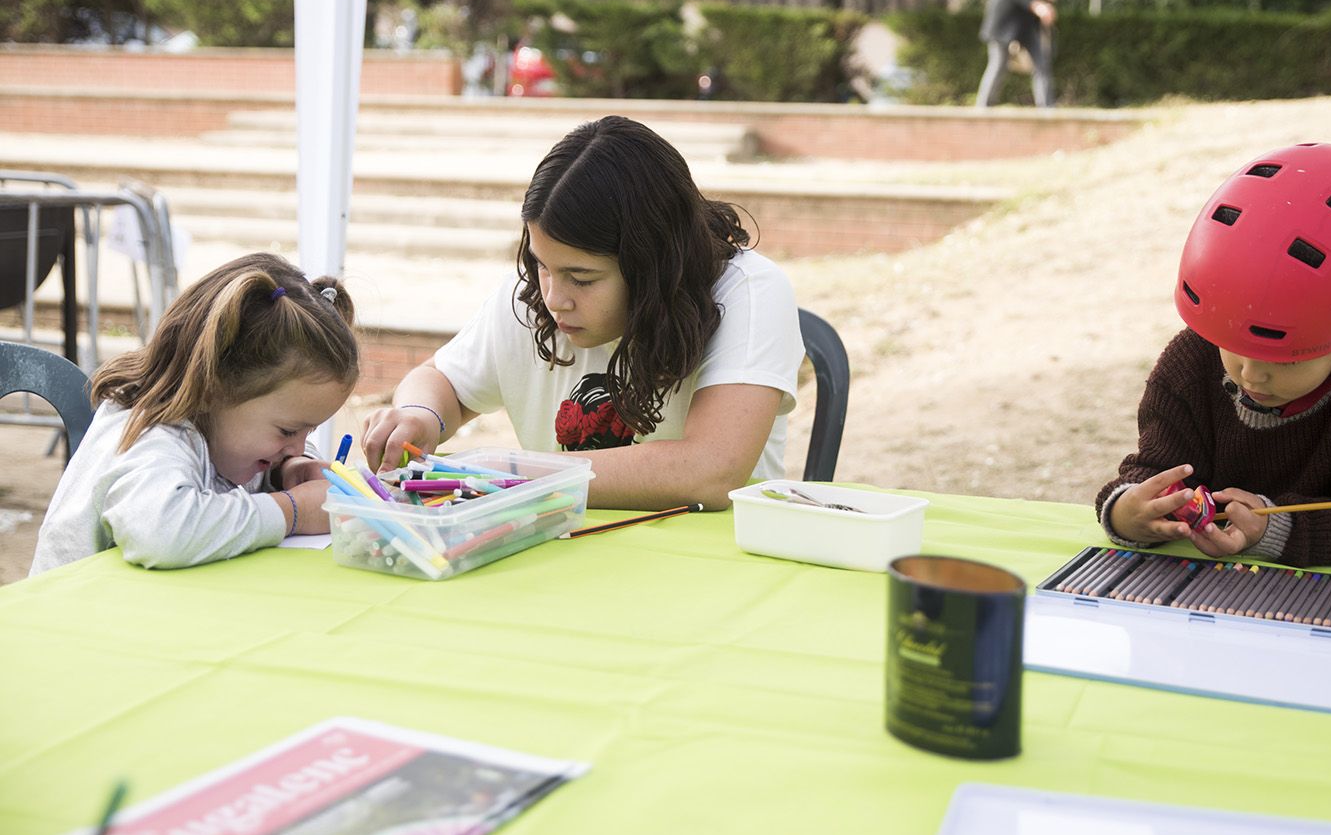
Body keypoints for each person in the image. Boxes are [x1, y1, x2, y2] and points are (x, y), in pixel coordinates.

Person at [361, 115, 804, 511]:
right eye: (542, 265)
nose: (554, 298)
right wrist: (420, 415)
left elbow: (710, 471)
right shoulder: (533, 295)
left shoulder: (749, 291)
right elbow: (440, 379)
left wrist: (505, 473)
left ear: (653, 264)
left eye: (583, 278)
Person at [1096, 143, 1331, 566]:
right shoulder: (1191, 360)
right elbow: (1155, 472)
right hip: (1218, 586)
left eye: (1286, 359)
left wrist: (1275, 529)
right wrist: (1127, 513)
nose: (1251, 375)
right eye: (1234, 348)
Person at [31, 253, 359, 575]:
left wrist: (288, 469)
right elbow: (163, 532)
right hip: (72, 607)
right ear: (214, 387)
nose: (299, 446)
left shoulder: (223, 427)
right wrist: (292, 511)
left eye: (308, 432)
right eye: (287, 431)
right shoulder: (151, 436)